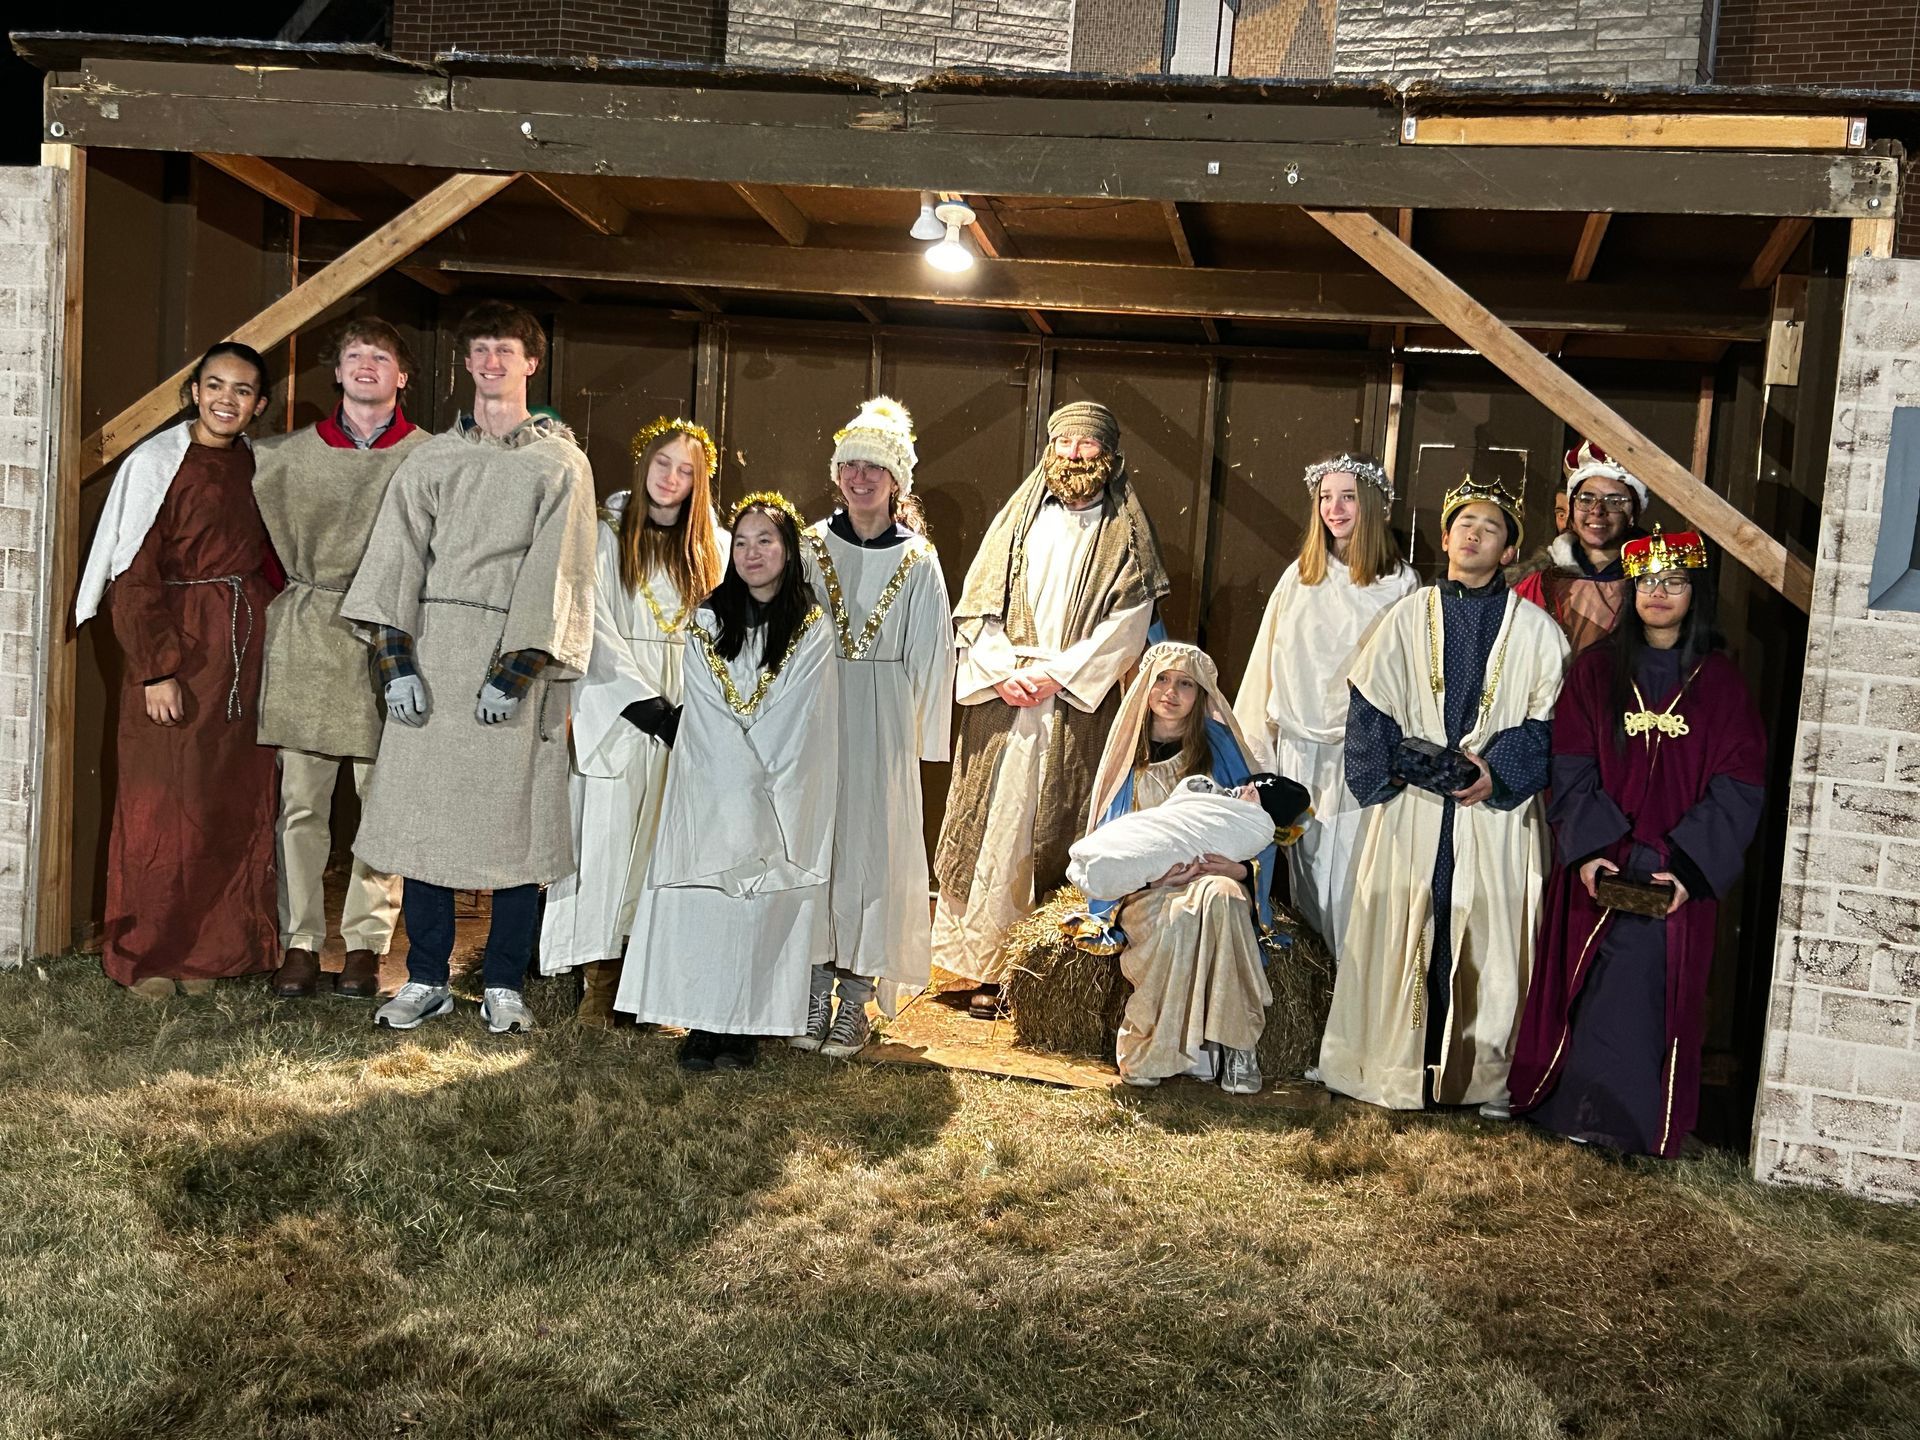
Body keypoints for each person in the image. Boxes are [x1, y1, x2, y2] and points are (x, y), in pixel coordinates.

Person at [341, 301, 596, 1035]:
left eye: (505, 351)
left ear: (530, 363)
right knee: (426, 824)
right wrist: (396, 664)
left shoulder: (560, 464)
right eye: (480, 350)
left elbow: (562, 572)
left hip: (511, 661)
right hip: (434, 651)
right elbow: (393, 558)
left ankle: (505, 983)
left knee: (511, 828)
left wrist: (513, 672)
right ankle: (425, 977)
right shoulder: (432, 459)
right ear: (465, 363)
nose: (491, 362)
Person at [1321, 475, 1571, 1112]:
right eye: (1465, 523)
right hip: (1414, 809)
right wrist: (1400, 766)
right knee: (1410, 923)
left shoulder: (1539, 632)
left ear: (1510, 551)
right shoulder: (1404, 618)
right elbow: (1371, 703)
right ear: (1444, 537)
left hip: (1491, 814)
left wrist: (1499, 772)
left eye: (1491, 528)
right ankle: (1395, 1068)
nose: (1475, 534)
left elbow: (1553, 721)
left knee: (1483, 929)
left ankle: (1478, 1076)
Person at [1512, 532, 1765, 1156]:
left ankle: (1631, 1124)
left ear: (1694, 594)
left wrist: (1684, 866)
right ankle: (1575, 1111)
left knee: (1649, 992)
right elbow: (1570, 761)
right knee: (1592, 986)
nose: (1658, 593)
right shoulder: (1597, 671)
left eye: (1673, 583)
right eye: (1648, 582)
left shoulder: (1724, 685)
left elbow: (1739, 783)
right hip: (1603, 864)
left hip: (1670, 875)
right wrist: (1593, 849)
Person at [933, 401, 1169, 1019]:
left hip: (1073, 709)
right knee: (999, 833)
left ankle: (1043, 978)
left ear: (1110, 457)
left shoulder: (1127, 537)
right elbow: (977, 606)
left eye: (1088, 447)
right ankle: (980, 967)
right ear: (1049, 450)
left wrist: (1056, 674)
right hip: (1005, 701)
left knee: (1059, 832)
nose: (1075, 456)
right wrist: (1006, 670)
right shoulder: (1018, 522)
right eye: (1065, 444)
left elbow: (1129, 624)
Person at [74, 343, 280, 999]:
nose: (227, 399)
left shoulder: (257, 464)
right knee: (164, 806)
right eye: (214, 385)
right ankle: (153, 954)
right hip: (175, 648)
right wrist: (156, 670)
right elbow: (131, 578)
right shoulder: (158, 463)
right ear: (194, 392)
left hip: (240, 651)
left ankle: (211, 953)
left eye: (242, 390)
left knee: (226, 802)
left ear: (260, 404)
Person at [614, 493, 839, 1072]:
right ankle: (701, 1021)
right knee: (708, 906)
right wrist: (736, 783)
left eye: (766, 540)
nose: (751, 552)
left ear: (788, 551)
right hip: (711, 789)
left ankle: (746, 1025)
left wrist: (760, 785)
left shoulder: (812, 627)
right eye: (741, 541)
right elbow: (705, 712)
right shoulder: (708, 620)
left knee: (760, 907)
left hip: (778, 791)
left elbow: (800, 713)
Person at [252, 318, 426, 1001]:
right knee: (301, 803)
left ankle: (365, 945)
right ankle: (299, 942)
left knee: (383, 803)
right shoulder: (287, 456)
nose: (366, 365)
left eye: (381, 356)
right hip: (310, 633)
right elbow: (264, 549)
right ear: (337, 371)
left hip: (390, 640)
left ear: (401, 375)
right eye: (355, 355)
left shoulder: (428, 456)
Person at [538, 418, 725, 1027]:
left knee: (665, 852)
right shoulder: (606, 534)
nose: (672, 478)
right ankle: (599, 978)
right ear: (644, 464)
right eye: (663, 463)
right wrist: (645, 706)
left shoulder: (715, 548)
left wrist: (699, 710)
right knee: (609, 844)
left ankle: (651, 982)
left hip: (689, 718)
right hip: (622, 711)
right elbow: (590, 620)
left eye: (687, 470)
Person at [794, 397, 954, 1057]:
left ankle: (854, 1001)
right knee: (815, 848)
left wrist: (918, 744)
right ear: (838, 473)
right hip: (815, 713)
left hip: (882, 720)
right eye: (851, 466)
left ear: (896, 481)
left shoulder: (918, 560)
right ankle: (806, 992)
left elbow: (933, 654)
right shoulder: (806, 545)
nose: (861, 478)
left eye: (875, 468)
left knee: (872, 855)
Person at [1067, 642, 1298, 1094]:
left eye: (1185, 684)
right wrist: (1154, 877)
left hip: (1214, 876)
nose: (1171, 692)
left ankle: (1236, 1045)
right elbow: (1113, 839)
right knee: (1175, 920)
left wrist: (1239, 872)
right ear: (1146, 687)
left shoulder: (1220, 751)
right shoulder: (1126, 753)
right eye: (1162, 679)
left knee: (1226, 902)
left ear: (1202, 694)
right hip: (1149, 885)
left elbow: (1258, 828)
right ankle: (1156, 1046)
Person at [1234, 453, 1417, 958]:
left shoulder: (1400, 583)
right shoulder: (1299, 578)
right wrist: (1255, 748)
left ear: (1373, 505)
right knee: (1308, 875)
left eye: (1349, 497)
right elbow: (1265, 663)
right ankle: (1321, 984)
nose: (1335, 509)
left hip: (1358, 753)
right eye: (1325, 498)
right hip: (1298, 745)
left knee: (1353, 876)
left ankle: (1351, 988)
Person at [1512, 440, 1648, 656]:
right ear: (1572, 511)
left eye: (1614, 501)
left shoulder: (1653, 587)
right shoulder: (1534, 585)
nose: (1597, 510)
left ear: (1633, 515)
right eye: (1586, 499)